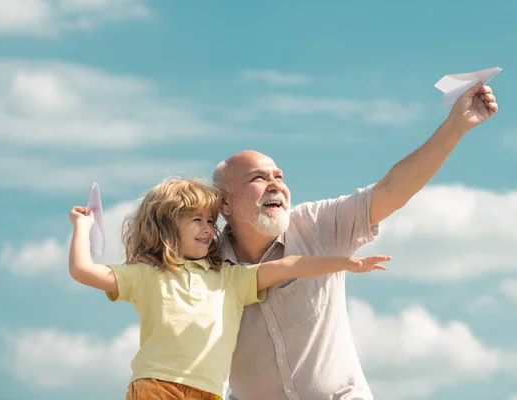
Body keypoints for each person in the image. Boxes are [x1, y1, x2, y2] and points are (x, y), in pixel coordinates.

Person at [208, 83, 499, 400]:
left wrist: (456, 125)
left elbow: (391, 190)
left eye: (279, 176)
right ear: (225, 205)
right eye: (258, 178)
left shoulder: (317, 225)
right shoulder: (202, 263)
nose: (276, 185)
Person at [68, 178, 390, 400]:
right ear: (166, 223)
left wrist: (344, 262)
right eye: (196, 219)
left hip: (211, 393)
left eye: (211, 221)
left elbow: (287, 266)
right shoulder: (148, 273)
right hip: (156, 387)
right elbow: (83, 270)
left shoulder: (230, 279)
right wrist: (82, 228)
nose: (208, 229)